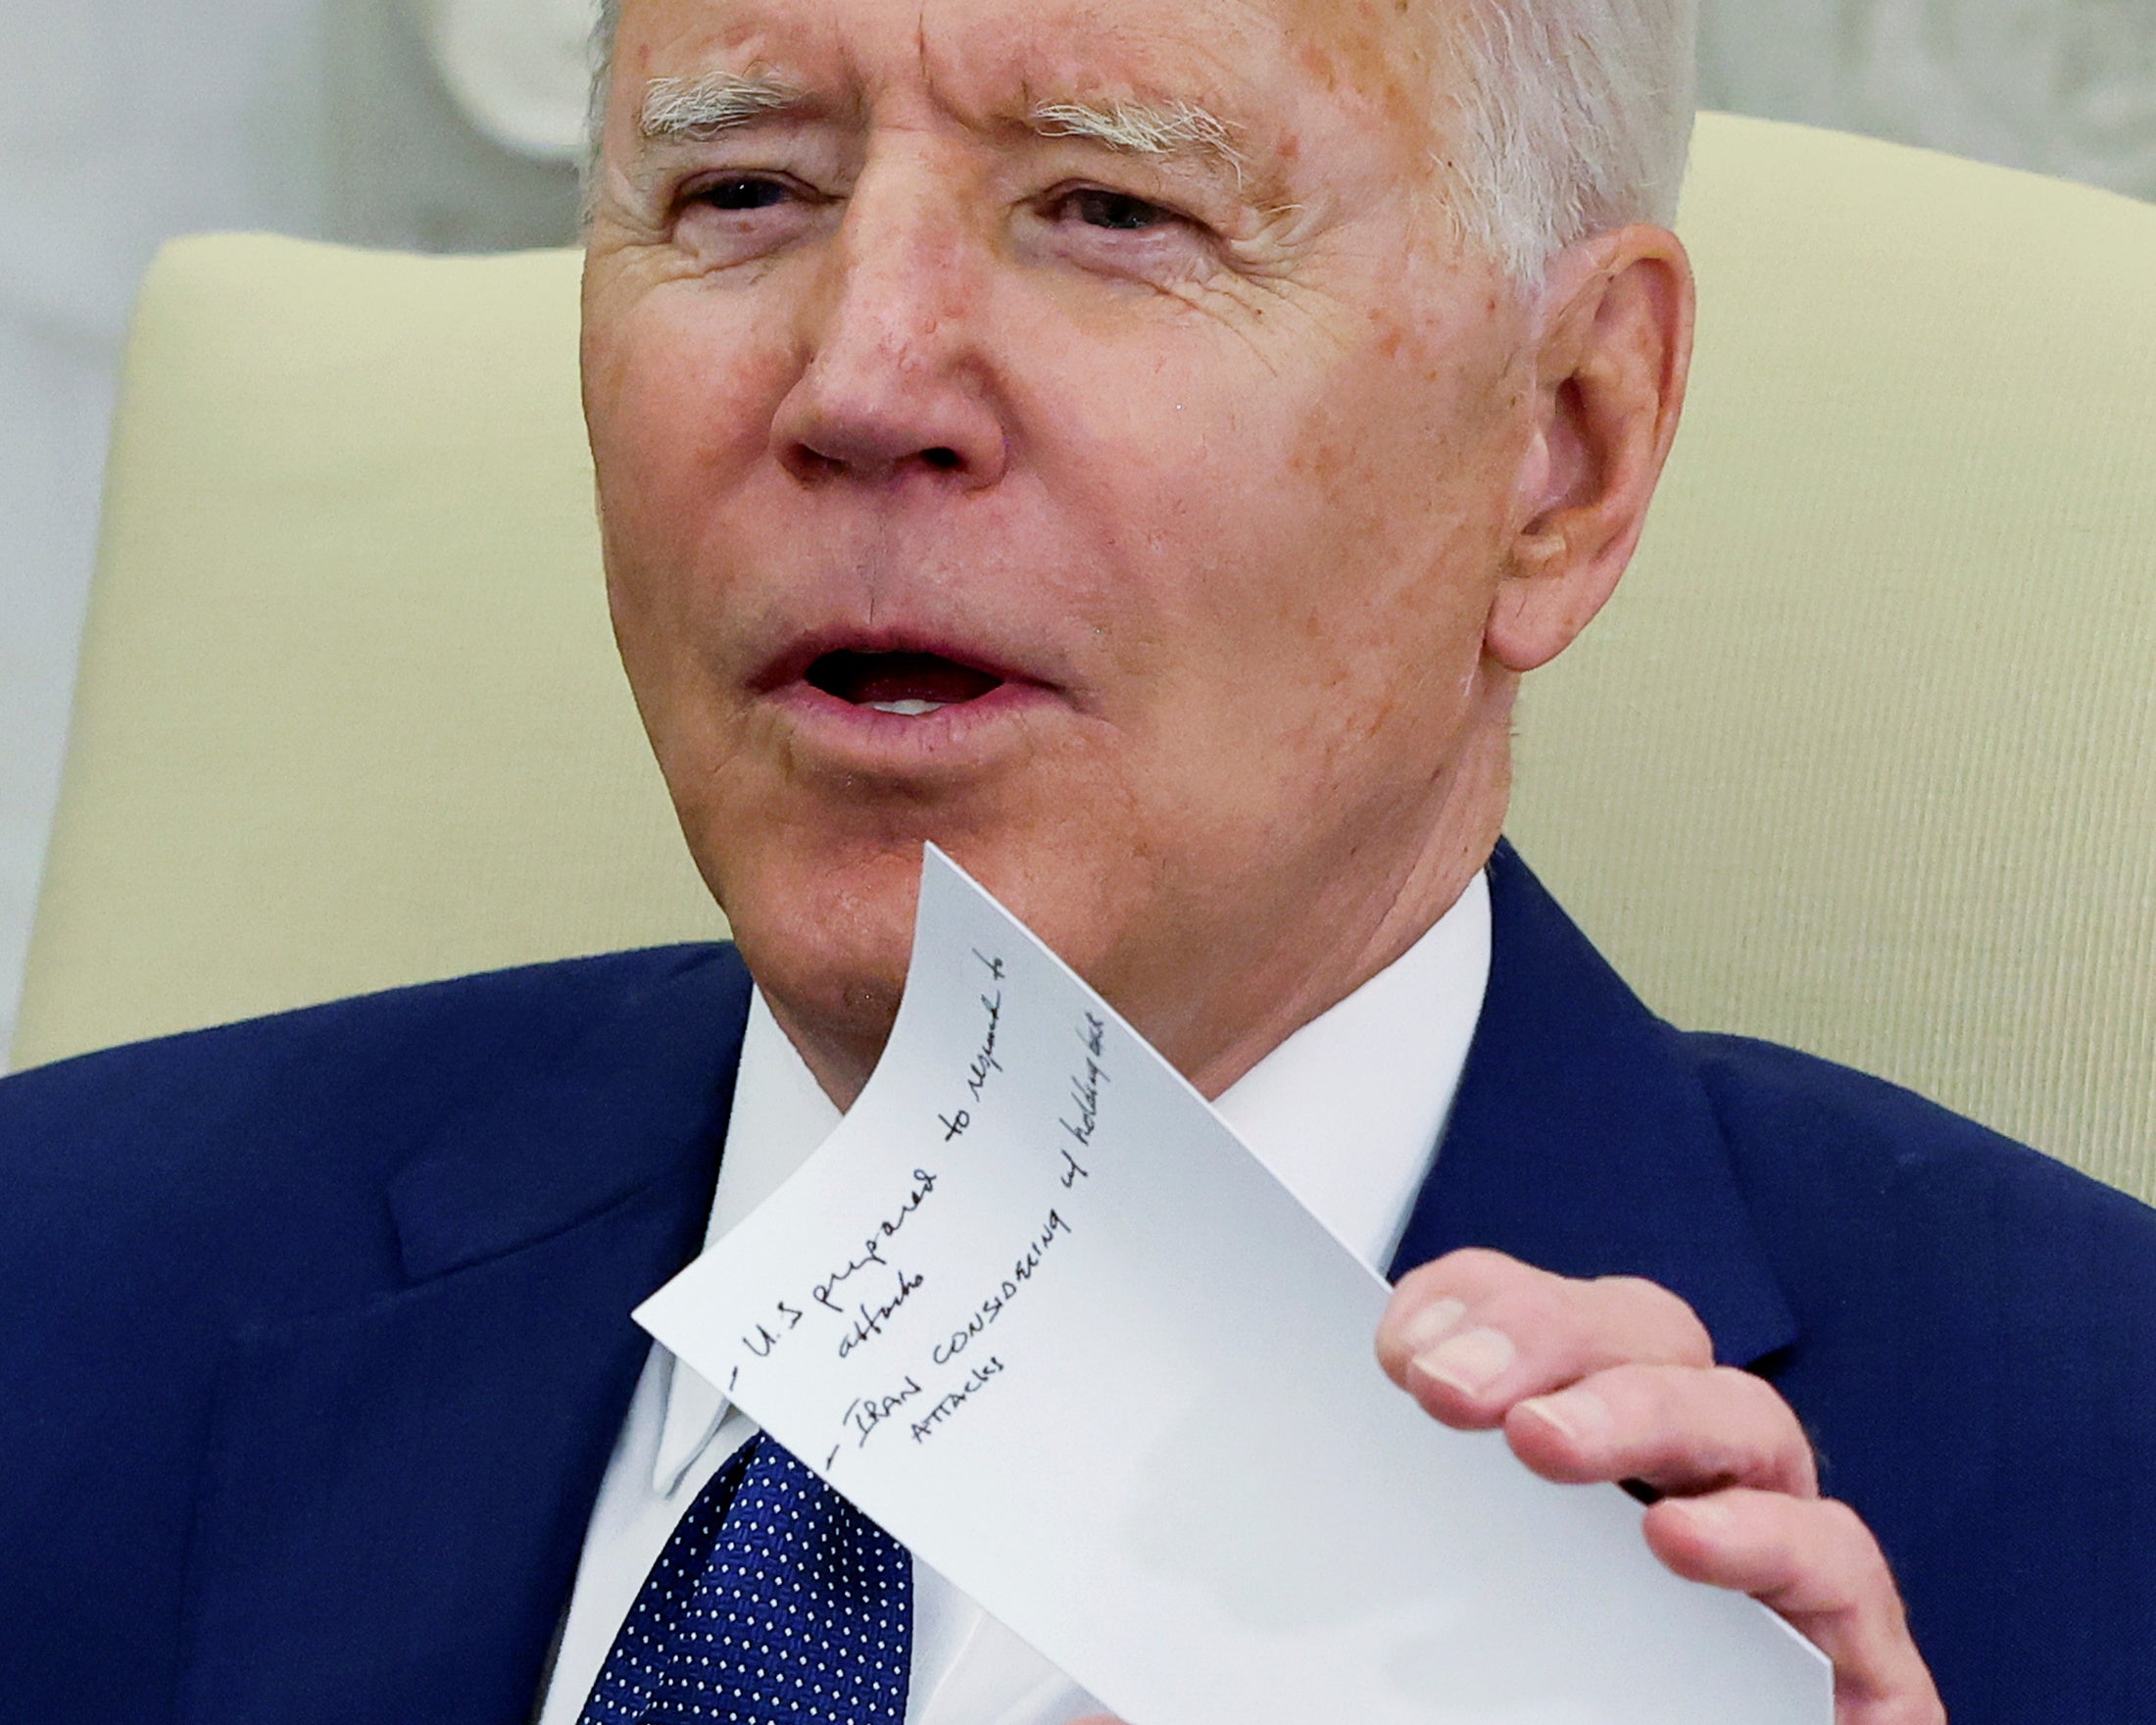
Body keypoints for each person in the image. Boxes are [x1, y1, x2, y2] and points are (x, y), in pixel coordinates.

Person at [2, 0, 2151, 1719]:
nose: (858, 380)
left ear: (1563, 445)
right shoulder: (55, 1281)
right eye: (740, 189)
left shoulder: (2087, 1497)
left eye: (1113, 210)